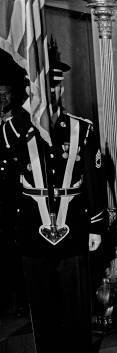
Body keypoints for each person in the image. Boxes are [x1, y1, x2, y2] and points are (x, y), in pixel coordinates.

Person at [4, 44, 107, 353]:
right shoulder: (13, 131)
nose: (52, 91)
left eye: (57, 84)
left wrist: (96, 225)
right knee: (43, 304)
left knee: (76, 303)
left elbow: (94, 179)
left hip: (74, 228)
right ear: (30, 87)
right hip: (32, 232)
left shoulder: (82, 129)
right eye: (44, 84)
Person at [0, 52, 28, 318]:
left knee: (20, 250)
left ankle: (23, 299)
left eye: (6, 94)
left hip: (18, 196)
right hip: (1, 199)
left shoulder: (21, 120)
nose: (2, 99)